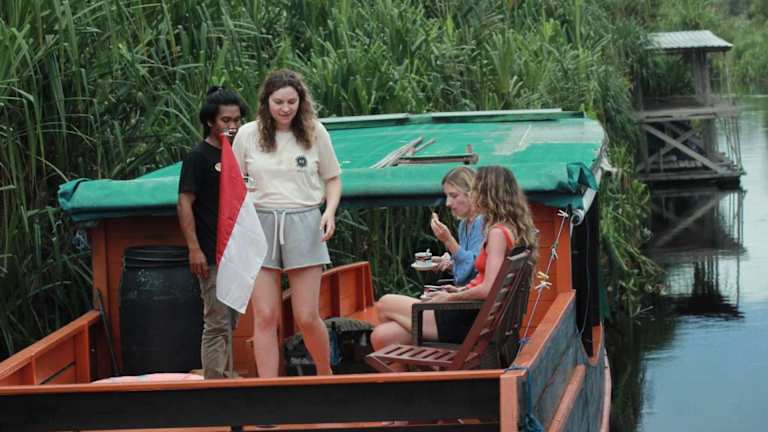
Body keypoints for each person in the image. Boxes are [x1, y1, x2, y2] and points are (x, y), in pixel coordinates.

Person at [232, 69, 342, 377]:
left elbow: (333, 179)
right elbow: (232, 185)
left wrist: (329, 212)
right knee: (265, 315)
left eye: (291, 102)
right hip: (259, 223)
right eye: (278, 102)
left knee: (306, 315)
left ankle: (325, 374)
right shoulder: (247, 134)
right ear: (266, 102)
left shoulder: (315, 131)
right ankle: (269, 391)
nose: (285, 108)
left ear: (300, 101)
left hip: (304, 220)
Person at [370, 165, 538, 349]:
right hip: (474, 315)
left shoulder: (497, 233)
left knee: (384, 303)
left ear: (488, 194)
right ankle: (421, 365)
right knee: (383, 335)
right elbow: (485, 281)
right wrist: (458, 291)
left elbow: (488, 289)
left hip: (466, 320)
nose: (474, 195)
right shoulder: (508, 229)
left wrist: (449, 298)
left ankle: (432, 361)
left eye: (476, 190)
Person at [177, 86, 248, 379]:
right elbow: (184, 202)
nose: (232, 126)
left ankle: (222, 375)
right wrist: (194, 249)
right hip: (211, 253)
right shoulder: (198, 157)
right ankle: (214, 382)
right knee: (216, 322)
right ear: (210, 121)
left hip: (238, 253)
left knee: (231, 320)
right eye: (225, 120)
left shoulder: (239, 154)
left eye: (237, 120)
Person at [429, 166, 484, 286]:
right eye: (447, 196)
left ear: (472, 195)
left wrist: (448, 241)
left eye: (454, 196)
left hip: (473, 294)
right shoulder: (464, 225)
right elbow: (468, 266)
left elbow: (473, 268)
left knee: (388, 298)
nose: (448, 203)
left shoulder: (482, 222)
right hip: (467, 291)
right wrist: (450, 264)